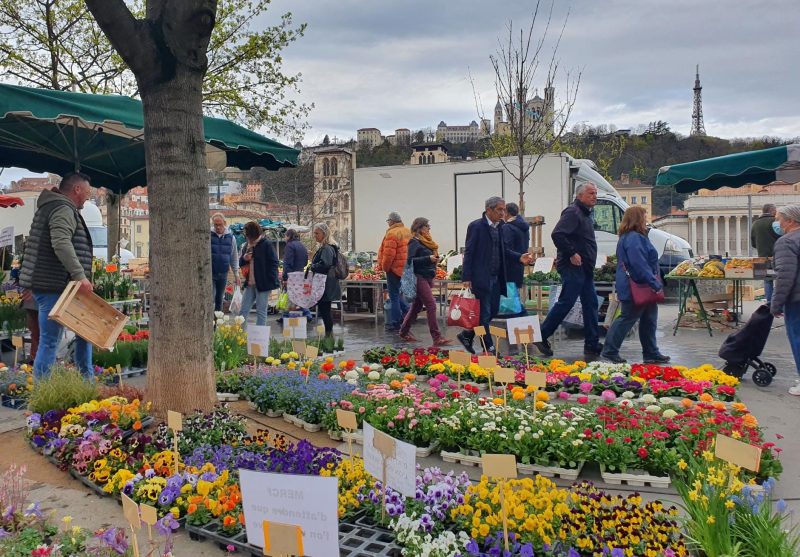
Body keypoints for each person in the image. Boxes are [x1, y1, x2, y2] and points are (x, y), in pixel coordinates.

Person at [19, 172, 94, 380]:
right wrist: (80, 275)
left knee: (84, 334)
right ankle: (44, 391)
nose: (88, 197)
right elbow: (61, 243)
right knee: (50, 341)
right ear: (77, 189)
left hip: (56, 284)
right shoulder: (62, 208)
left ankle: (86, 382)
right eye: (87, 192)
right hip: (54, 285)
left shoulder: (52, 206)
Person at [535, 182, 603, 359]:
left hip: (584, 268)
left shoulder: (585, 213)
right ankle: (542, 334)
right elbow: (557, 234)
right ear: (580, 196)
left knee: (591, 304)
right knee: (567, 301)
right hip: (573, 267)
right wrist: (572, 253)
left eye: (595, 193)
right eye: (591, 193)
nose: (594, 196)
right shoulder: (573, 212)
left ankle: (592, 344)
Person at [457, 197, 532, 354]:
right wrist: (466, 277)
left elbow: (504, 250)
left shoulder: (501, 227)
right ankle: (489, 348)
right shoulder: (476, 226)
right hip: (481, 276)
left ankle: (467, 335)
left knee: (493, 310)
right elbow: (469, 252)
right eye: (499, 209)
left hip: (497, 277)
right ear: (488, 210)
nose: (502, 213)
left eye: (504, 209)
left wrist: (519, 257)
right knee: (484, 313)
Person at [600, 207, 670, 364]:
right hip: (638, 286)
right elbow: (639, 264)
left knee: (648, 319)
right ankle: (610, 351)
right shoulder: (634, 238)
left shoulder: (630, 237)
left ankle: (651, 352)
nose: (646, 220)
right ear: (637, 219)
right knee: (627, 317)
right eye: (644, 217)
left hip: (637, 285)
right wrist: (654, 282)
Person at [399, 217, 452, 346]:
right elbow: (409, 261)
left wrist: (433, 259)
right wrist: (428, 258)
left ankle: (403, 332)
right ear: (420, 228)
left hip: (427, 277)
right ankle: (436, 337)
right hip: (418, 277)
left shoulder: (426, 242)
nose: (429, 229)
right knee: (431, 305)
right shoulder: (414, 242)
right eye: (427, 226)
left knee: (416, 307)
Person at [770, 205, 800, 395]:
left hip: (796, 299)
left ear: (790, 221)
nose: (777, 223)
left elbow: (785, 276)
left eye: (779, 219)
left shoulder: (786, 241)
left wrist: (776, 303)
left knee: (797, 337)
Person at [238, 221, 279, 329]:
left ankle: (260, 336)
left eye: (249, 236)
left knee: (261, 311)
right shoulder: (246, 245)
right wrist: (244, 258)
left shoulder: (266, 244)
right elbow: (241, 263)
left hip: (263, 284)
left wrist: (270, 280)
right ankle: (240, 335)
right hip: (250, 283)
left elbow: (274, 263)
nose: (248, 238)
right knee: (243, 310)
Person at [377, 212, 412, 331]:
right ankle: (408, 314)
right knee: (399, 294)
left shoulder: (392, 233)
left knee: (394, 296)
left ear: (392, 221)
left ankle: (396, 322)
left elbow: (389, 255)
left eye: (388, 221)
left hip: (394, 269)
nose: (388, 223)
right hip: (406, 268)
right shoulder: (408, 232)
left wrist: (385, 268)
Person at [310, 223, 342, 337]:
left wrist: (313, 266)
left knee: (325, 311)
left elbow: (325, 264)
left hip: (326, 284)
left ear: (324, 234)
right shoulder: (327, 247)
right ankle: (328, 335)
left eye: (317, 233)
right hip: (326, 283)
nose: (315, 235)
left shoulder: (327, 248)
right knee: (325, 310)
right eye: (314, 233)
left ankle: (329, 336)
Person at [210, 213, 240, 312]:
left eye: (220, 224)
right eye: (216, 225)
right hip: (210, 272)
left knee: (219, 299)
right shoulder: (209, 235)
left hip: (223, 273)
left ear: (225, 223)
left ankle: (217, 320)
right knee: (211, 297)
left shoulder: (231, 238)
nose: (218, 227)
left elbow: (234, 257)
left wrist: (236, 274)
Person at [751, 203, 779, 303]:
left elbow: (753, 243)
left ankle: (769, 302)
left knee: (767, 281)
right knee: (780, 280)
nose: (776, 212)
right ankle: (777, 303)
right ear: (772, 211)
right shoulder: (775, 222)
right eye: (775, 210)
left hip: (761, 257)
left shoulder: (755, 223)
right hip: (776, 256)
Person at [502, 202, 530, 303]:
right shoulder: (524, 227)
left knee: (508, 303)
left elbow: (505, 249)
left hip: (508, 266)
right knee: (514, 298)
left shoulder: (507, 227)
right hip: (518, 266)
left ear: (507, 213)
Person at [281, 228, 312, 319]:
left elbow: (287, 263)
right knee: (298, 295)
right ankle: (285, 315)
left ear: (288, 236)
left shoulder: (289, 246)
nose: (285, 238)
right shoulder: (302, 245)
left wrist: (285, 278)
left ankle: (305, 314)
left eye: (285, 236)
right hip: (300, 274)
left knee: (291, 295)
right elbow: (305, 262)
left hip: (291, 275)